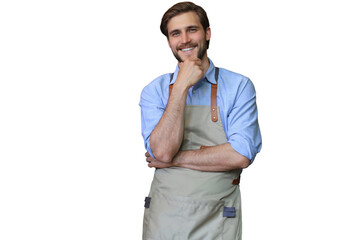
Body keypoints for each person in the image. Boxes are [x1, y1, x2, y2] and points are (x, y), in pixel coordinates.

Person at [139, 2, 262, 239]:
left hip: (218, 218)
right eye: (176, 33)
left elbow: (241, 155)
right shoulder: (154, 91)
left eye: (192, 30)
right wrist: (181, 86)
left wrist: (175, 160)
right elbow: (162, 152)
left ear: (207, 33)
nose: (184, 39)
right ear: (169, 41)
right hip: (165, 218)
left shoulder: (239, 86)